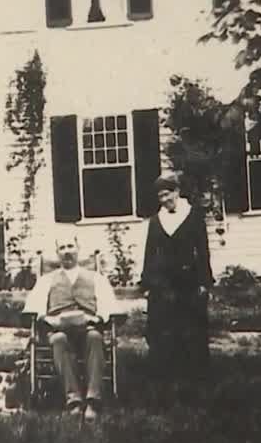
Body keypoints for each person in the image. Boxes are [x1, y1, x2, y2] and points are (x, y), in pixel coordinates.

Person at [22, 235, 118, 419]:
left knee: (95, 337)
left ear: (78, 248)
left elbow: (108, 306)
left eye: (70, 246)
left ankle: (92, 401)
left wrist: (94, 318)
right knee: (58, 340)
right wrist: (51, 320)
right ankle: (73, 400)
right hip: (58, 328)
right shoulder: (46, 280)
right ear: (57, 253)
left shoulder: (96, 278)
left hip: (87, 326)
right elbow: (35, 308)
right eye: (62, 248)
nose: (67, 251)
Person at [139, 175, 215, 384]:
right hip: (162, 282)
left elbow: (202, 251)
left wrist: (203, 281)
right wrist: (147, 282)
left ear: (177, 192)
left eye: (167, 194)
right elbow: (150, 252)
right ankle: (164, 376)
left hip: (189, 280)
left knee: (191, 328)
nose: (164, 199)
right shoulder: (156, 221)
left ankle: (195, 376)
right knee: (162, 328)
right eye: (160, 196)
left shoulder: (193, 216)